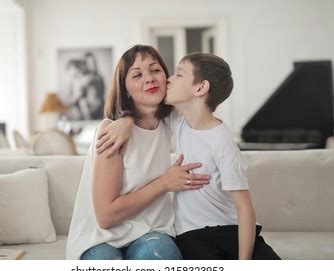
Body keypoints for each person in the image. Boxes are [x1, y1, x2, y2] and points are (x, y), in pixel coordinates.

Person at [96, 53, 280, 260]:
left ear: (200, 88)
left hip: (232, 230)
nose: (168, 79)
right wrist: (125, 120)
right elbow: (144, 109)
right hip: (193, 236)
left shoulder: (223, 143)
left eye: (179, 75)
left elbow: (245, 208)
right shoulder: (178, 121)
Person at [66, 45, 211, 260]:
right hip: (100, 237)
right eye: (137, 75)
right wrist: (164, 183)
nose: (150, 79)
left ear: (166, 78)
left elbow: (202, 103)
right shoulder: (111, 132)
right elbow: (106, 216)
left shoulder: (170, 121)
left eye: (155, 70)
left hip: (150, 232)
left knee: (161, 255)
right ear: (125, 89)